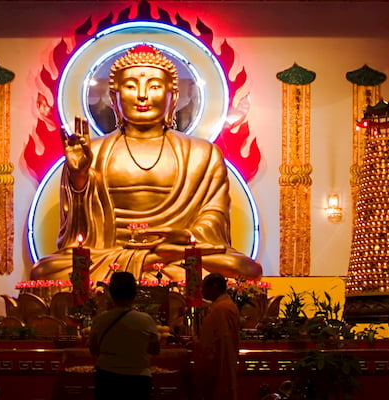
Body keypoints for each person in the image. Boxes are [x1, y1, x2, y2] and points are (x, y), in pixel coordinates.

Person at [30, 43, 262, 282]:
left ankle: (147, 265)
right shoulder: (92, 153)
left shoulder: (203, 154)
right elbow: (77, 238)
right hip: (110, 255)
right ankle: (148, 265)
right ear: (114, 98)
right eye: (131, 86)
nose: (142, 95)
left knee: (243, 268)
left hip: (177, 254)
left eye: (154, 87)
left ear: (173, 97)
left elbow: (214, 218)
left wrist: (182, 238)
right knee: (44, 271)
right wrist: (78, 177)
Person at [87, 272, 160, 400]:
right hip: (138, 378)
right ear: (135, 293)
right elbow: (155, 349)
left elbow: (93, 350)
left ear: (110, 293)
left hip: (107, 377)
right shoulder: (146, 320)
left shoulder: (100, 320)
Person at [195, 273, 239, 400]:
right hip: (222, 361)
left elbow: (220, 341)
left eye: (203, 288)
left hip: (218, 364)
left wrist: (198, 346)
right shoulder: (223, 306)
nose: (201, 292)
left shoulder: (221, 308)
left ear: (214, 288)